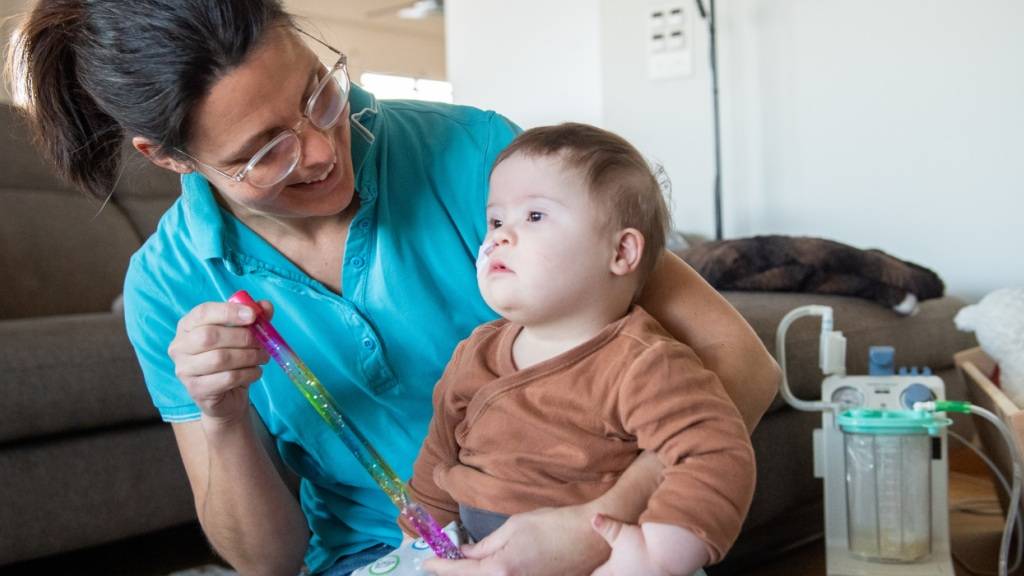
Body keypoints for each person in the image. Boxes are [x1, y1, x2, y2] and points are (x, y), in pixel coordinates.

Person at [5, 1, 779, 575]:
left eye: (318, 93)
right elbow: (266, 564)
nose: (319, 151)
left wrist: (596, 524)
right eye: (265, 152)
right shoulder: (166, 285)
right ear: (170, 158)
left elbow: (741, 364)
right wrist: (223, 417)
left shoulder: (477, 156)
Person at [401, 123, 755, 576]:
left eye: (534, 217)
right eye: (495, 220)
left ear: (622, 252)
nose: (500, 237)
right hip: (480, 557)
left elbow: (713, 450)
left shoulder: (642, 363)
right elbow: (439, 455)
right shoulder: (475, 353)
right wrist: (419, 540)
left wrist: (662, 554)